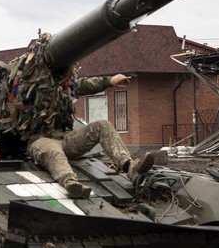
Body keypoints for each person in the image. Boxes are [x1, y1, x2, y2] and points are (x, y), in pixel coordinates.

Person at [26, 72, 156, 198]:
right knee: (54, 151)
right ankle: (70, 182)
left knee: (102, 125)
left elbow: (84, 84)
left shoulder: (65, 86)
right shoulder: (26, 88)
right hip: (40, 140)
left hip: (66, 138)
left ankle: (131, 168)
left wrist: (110, 81)